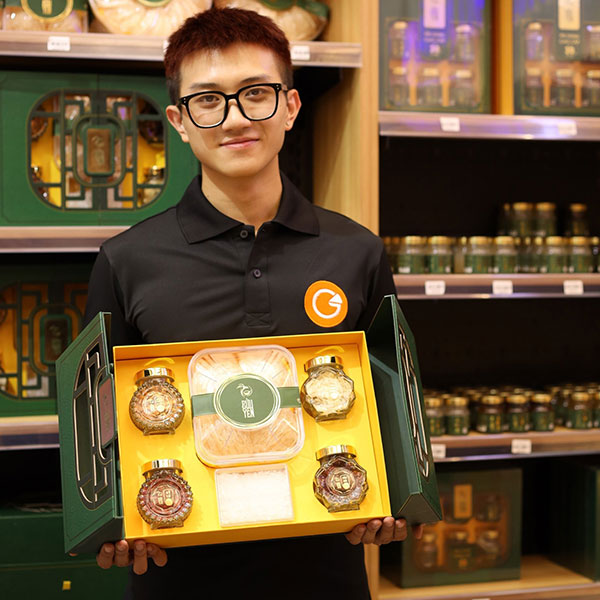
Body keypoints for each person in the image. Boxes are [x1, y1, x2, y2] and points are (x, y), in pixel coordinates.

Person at [83, 7, 422, 599]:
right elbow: (98, 416)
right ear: (179, 120)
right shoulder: (127, 260)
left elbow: (392, 400)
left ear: (290, 106)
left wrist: (400, 497)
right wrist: (109, 519)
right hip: (179, 574)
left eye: (256, 94)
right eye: (208, 100)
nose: (235, 118)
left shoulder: (355, 251)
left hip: (324, 572)